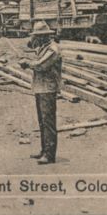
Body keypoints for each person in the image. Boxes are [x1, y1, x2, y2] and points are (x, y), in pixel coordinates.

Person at [19, 22, 62, 165]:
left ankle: (50, 155)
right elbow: (31, 47)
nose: (35, 39)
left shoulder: (53, 49)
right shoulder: (43, 47)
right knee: (42, 121)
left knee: (48, 122)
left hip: (48, 89)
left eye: (37, 36)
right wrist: (31, 42)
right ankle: (44, 150)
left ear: (45, 36)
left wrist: (27, 63)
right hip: (40, 88)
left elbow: (41, 65)